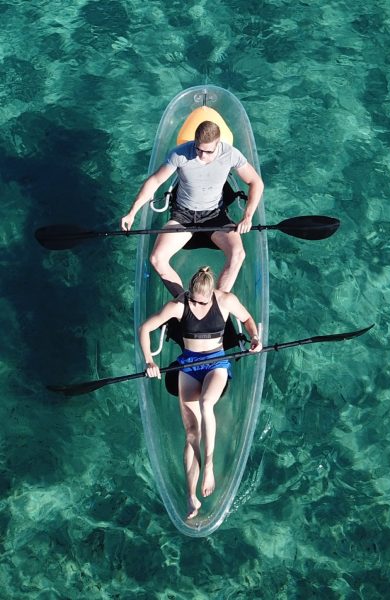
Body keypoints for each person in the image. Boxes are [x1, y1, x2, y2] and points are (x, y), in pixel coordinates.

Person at [139, 266, 262, 520]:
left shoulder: (226, 300)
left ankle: (210, 466)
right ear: (190, 293)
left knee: (206, 403)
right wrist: (149, 361)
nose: (197, 305)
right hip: (188, 365)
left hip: (216, 363)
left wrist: (255, 337)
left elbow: (248, 320)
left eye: (201, 302)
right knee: (191, 434)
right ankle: (190, 497)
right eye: (193, 300)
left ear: (211, 294)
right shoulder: (179, 304)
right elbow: (145, 328)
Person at [121, 120, 264, 294]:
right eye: (198, 149)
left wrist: (248, 217)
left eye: (208, 151)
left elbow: (256, 182)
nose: (201, 156)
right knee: (157, 259)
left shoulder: (231, 154)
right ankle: (184, 301)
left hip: (215, 216)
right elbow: (155, 180)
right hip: (183, 216)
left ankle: (217, 302)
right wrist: (132, 213)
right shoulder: (180, 154)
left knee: (238, 254)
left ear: (218, 144)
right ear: (194, 142)